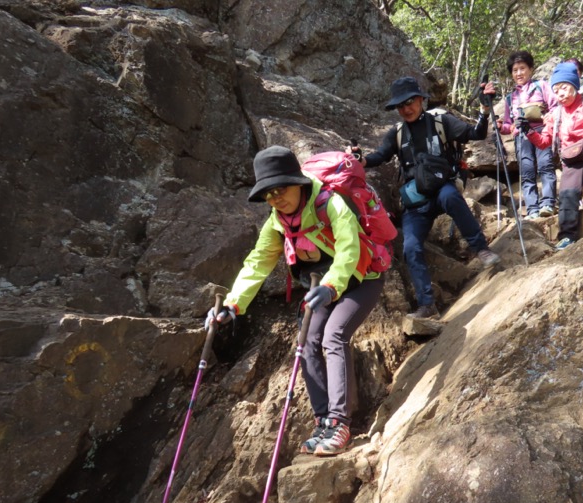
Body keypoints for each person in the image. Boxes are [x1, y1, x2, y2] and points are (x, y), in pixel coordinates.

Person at [206, 146, 385, 456]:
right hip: (324, 287)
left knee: (334, 335)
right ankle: (323, 422)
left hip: (362, 278)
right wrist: (233, 304)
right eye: (268, 193)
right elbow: (257, 263)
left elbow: (348, 249)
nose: (275, 198)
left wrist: (331, 286)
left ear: (297, 183)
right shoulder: (277, 223)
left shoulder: (331, 204)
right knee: (307, 342)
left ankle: (340, 422)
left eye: (280, 189)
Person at [351, 76, 500, 320]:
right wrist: (361, 160)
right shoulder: (398, 133)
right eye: (400, 105)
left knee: (451, 196)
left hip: (442, 187)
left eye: (410, 102)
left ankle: (481, 248)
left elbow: (476, 133)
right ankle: (426, 304)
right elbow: (380, 156)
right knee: (410, 247)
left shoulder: (440, 121)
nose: (406, 108)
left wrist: (485, 109)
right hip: (416, 199)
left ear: (421, 99)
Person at [517, 62, 583, 250]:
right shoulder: (554, 114)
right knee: (567, 194)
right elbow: (544, 142)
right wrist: (528, 131)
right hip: (572, 154)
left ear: (575, 85)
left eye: (564, 88)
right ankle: (567, 236)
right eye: (556, 90)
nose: (560, 94)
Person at [497, 50, 559, 220]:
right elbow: (509, 125)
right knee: (527, 171)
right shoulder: (511, 98)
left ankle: (547, 203)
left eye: (522, 68)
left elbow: (554, 106)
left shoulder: (542, 86)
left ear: (530, 69)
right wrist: (501, 126)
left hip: (541, 132)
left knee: (545, 165)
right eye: (515, 70)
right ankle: (532, 209)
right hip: (522, 137)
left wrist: (549, 118)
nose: (519, 73)